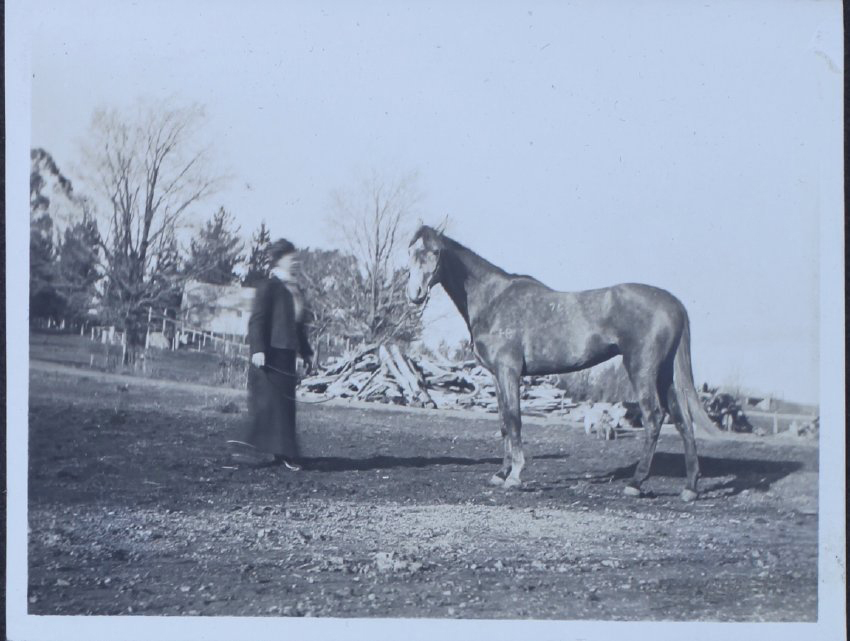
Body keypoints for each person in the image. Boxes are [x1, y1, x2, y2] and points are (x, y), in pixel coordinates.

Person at [230, 238, 313, 469]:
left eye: (296, 259)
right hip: (269, 356)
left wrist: (306, 353)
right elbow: (256, 321)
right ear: (279, 260)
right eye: (291, 259)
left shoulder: (295, 289)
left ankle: (282, 453)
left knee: (285, 406)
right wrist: (257, 349)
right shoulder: (269, 286)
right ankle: (257, 451)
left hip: (286, 356)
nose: (295, 263)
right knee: (269, 406)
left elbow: (298, 327)